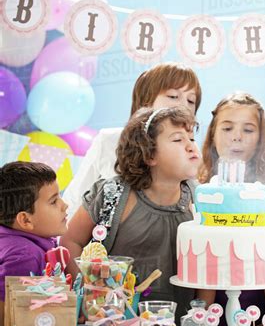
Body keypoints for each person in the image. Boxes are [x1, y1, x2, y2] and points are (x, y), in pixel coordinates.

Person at [61, 106, 201, 322]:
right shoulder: (112, 195)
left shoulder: (201, 199)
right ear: (149, 154)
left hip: (176, 324)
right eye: (178, 140)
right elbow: (70, 240)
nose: (191, 146)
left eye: (191, 138)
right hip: (111, 322)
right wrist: (87, 292)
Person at [63, 62, 202, 218]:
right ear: (146, 101)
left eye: (191, 101)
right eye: (173, 96)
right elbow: (75, 200)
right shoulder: (110, 141)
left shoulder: (190, 150)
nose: (183, 105)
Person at [197, 92, 265, 326]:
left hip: (258, 316)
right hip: (205, 311)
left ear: (260, 138)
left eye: (248, 130)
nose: (236, 137)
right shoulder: (199, 189)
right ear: (212, 134)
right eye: (227, 128)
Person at [0, 162, 68, 326]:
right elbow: (5, 317)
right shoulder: (25, 255)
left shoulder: (20, 241)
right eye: (53, 201)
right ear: (25, 220)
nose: (64, 205)